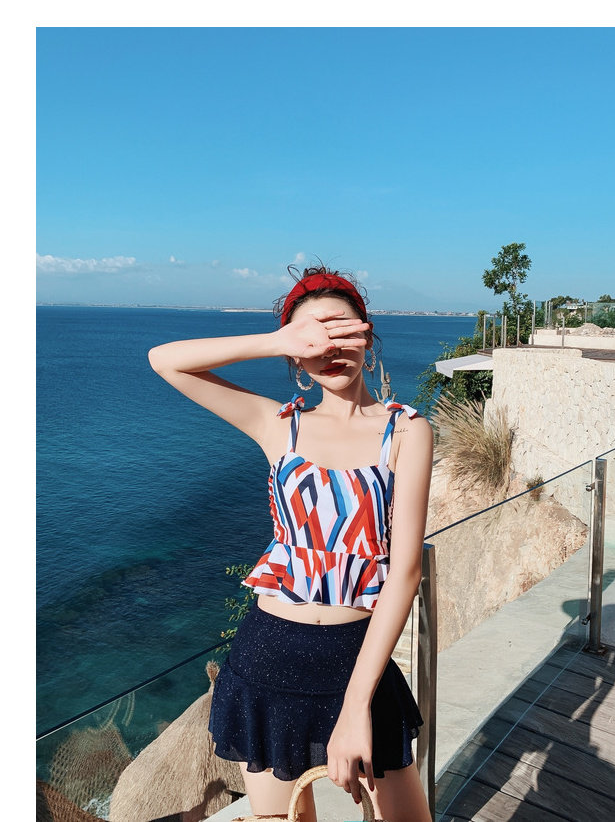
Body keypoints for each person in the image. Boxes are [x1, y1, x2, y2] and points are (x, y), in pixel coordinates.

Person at [148, 266, 433, 822]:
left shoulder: (405, 431)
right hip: (267, 657)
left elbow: (404, 573)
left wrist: (356, 707)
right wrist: (280, 340)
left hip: (357, 661)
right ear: (295, 357)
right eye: (311, 338)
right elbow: (165, 359)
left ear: (367, 336)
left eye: (340, 330)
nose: (328, 348)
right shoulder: (279, 424)